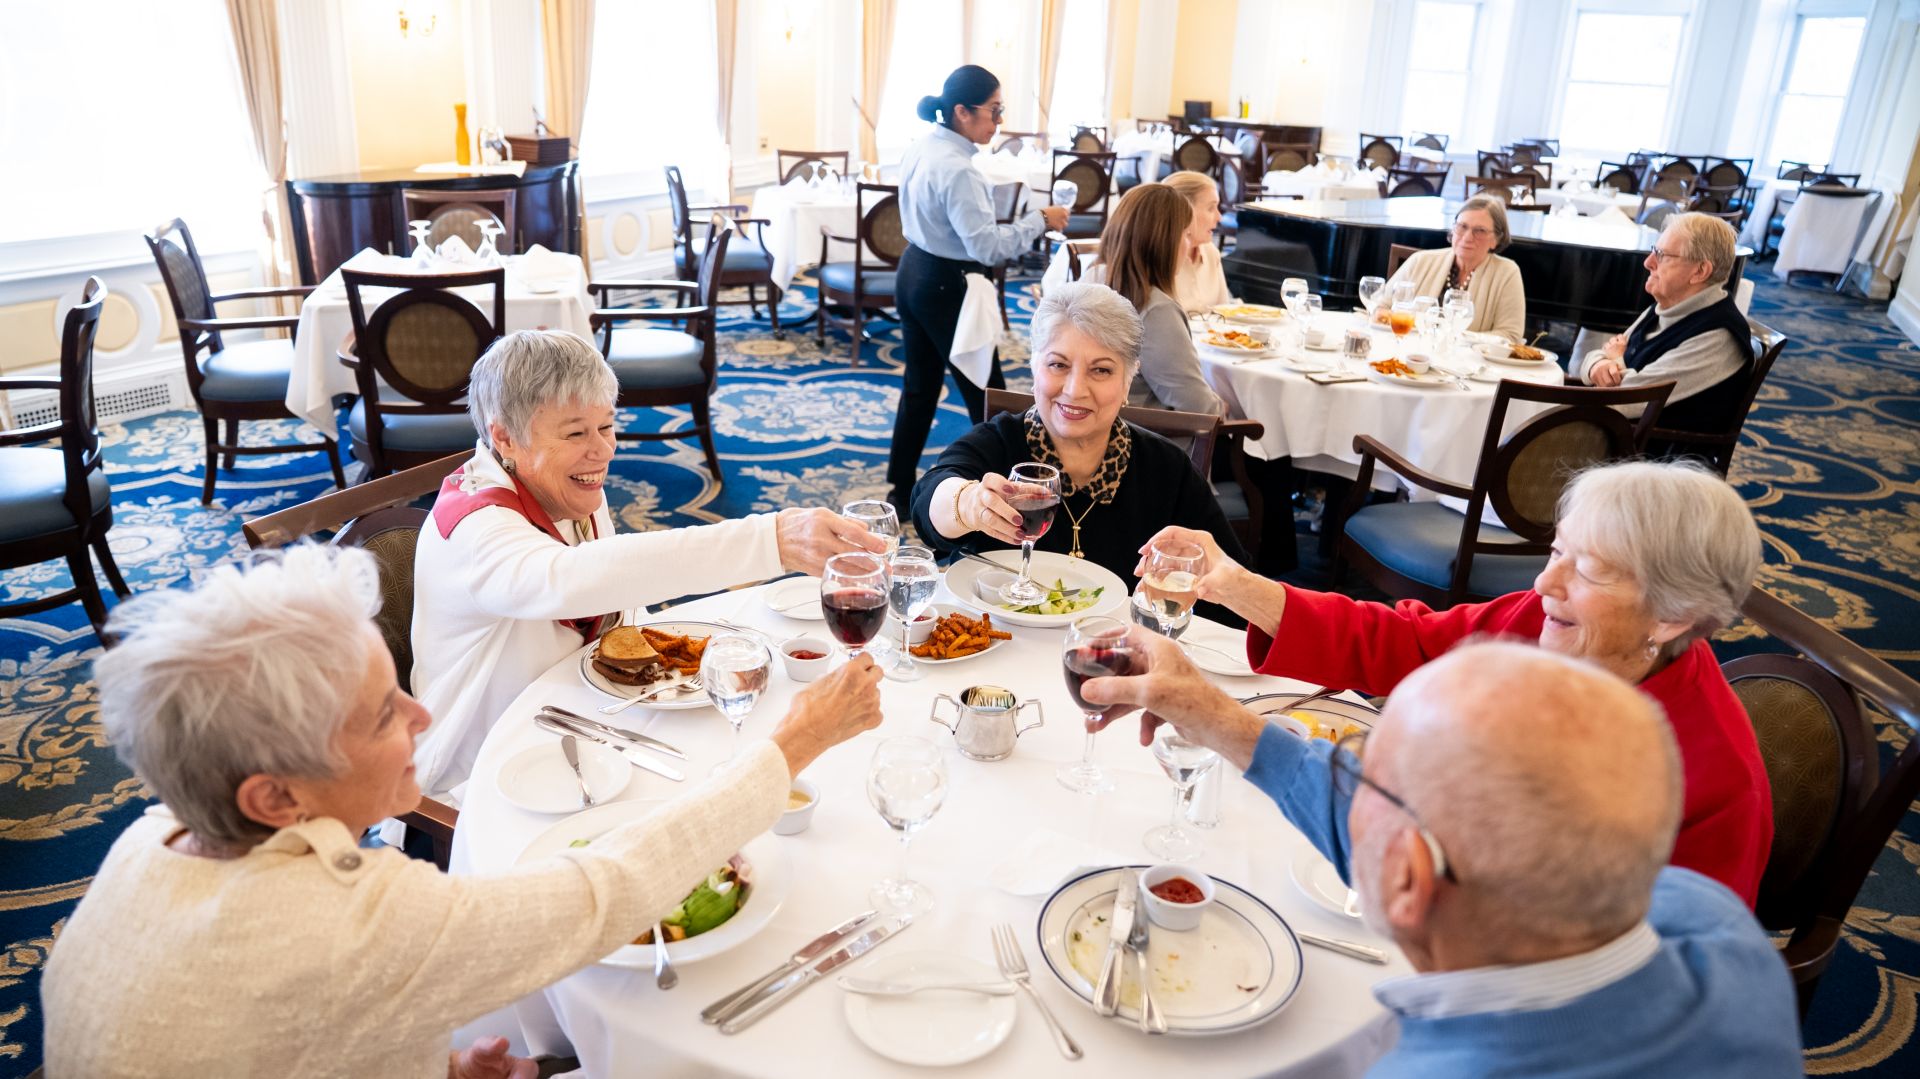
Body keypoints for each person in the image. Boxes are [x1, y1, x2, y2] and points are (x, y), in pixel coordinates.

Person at [40, 545, 886, 1078]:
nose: (423, 718)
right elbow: (606, 892)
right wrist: (790, 746)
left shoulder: (153, 839)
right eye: (382, 715)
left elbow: (261, 1031)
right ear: (273, 797)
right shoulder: (349, 921)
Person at [1078, 638, 1803, 1078]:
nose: (1347, 785)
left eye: (1365, 770)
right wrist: (1211, 713)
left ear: (1406, 878)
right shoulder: (1711, 920)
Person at [1138, 459, 1772, 905]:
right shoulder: (1541, 618)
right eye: (1556, 552)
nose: (1546, 585)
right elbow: (1409, 643)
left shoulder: (1716, 781)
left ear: (1673, 615)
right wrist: (1239, 586)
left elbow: (1667, 983)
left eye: (1590, 570)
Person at [410, 330, 885, 798]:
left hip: (584, 727)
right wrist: (769, 540)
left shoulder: (566, 484)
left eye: (607, 426)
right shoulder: (474, 527)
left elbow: (618, 594)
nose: (603, 450)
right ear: (505, 438)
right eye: (575, 432)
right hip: (483, 775)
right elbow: (568, 581)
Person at [911, 281, 1244, 589]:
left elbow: (1231, 574)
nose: (1075, 389)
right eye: (1058, 365)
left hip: (1118, 647)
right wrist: (968, 504)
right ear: (1033, 366)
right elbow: (928, 505)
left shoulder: (1166, 469)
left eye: (1101, 370)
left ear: (1128, 380)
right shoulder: (997, 443)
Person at [887, 64, 1070, 514]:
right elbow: (987, 247)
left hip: (913, 271)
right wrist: (1039, 221)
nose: (1000, 120)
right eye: (995, 110)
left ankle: (898, 484)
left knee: (920, 386)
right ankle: (1019, 497)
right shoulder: (959, 169)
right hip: (949, 284)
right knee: (988, 394)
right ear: (962, 112)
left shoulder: (922, 147)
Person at [1579, 212, 1754, 435]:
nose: (1648, 262)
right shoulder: (1665, 308)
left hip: (1654, 459)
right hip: (1620, 436)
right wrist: (1596, 365)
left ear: (1700, 271)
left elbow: (1627, 400)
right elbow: (1599, 357)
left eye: (1661, 255)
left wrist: (1614, 361)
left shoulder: (1719, 334)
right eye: (1654, 250)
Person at [1093, 183, 1226, 415]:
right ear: (1164, 241)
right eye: (1186, 234)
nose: (1187, 244)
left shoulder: (1092, 277)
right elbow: (1199, 408)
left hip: (1094, 429)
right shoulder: (1155, 310)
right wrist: (1223, 408)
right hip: (1143, 440)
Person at [1382, 194, 1526, 341]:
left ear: (1496, 239)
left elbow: (1510, 336)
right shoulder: (1420, 260)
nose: (1468, 237)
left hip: (1470, 362)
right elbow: (1383, 306)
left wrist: (1458, 339)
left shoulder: (1507, 273)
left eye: (1480, 230)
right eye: (1462, 226)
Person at [1161, 170, 1235, 313]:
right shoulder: (1160, 258)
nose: (1219, 217)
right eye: (1211, 208)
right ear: (1184, 211)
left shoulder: (1210, 251)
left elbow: (1224, 312)